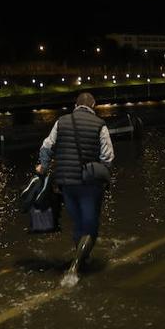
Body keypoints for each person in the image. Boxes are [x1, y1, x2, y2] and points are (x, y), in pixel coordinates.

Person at [37, 91, 114, 270]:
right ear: (93, 106)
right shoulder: (100, 125)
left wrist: (43, 166)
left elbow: (47, 146)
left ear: (76, 106)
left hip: (65, 183)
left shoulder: (61, 121)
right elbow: (108, 157)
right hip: (89, 183)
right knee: (90, 227)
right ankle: (76, 266)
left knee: (78, 223)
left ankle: (82, 259)